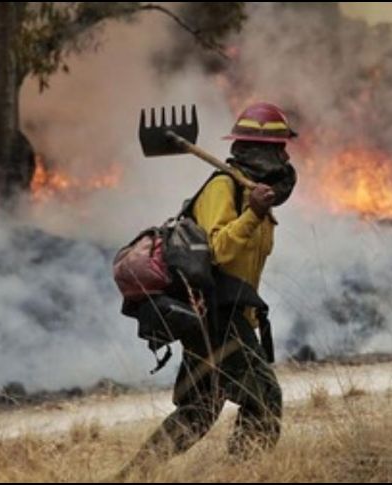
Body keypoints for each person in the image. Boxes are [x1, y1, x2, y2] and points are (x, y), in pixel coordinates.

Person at [123, 102, 298, 474]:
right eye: (278, 148)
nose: (284, 156)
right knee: (264, 398)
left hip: (227, 313)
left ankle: (131, 477)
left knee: (199, 409)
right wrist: (251, 214)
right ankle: (241, 475)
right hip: (217, 314)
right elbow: (217, 250)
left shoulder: (254, 192)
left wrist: (255, 210)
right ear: (258, 150)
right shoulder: (224, 187)